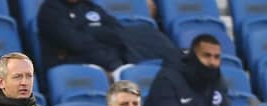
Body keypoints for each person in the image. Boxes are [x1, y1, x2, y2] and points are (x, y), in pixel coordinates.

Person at [142, 34, 259, 106]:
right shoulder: (167, 80)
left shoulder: (217, 79)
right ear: (192, 57)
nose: (212, 62)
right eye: (206, 55)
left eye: (216, 57)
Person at [37, 0, 181, 72]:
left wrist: (91, 32)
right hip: (75, 64)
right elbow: (76, 43)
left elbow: (117, 31)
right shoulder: (50, 11)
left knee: (145, 33)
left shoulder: (90, 6)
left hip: (110, 59)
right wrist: (112, 63)